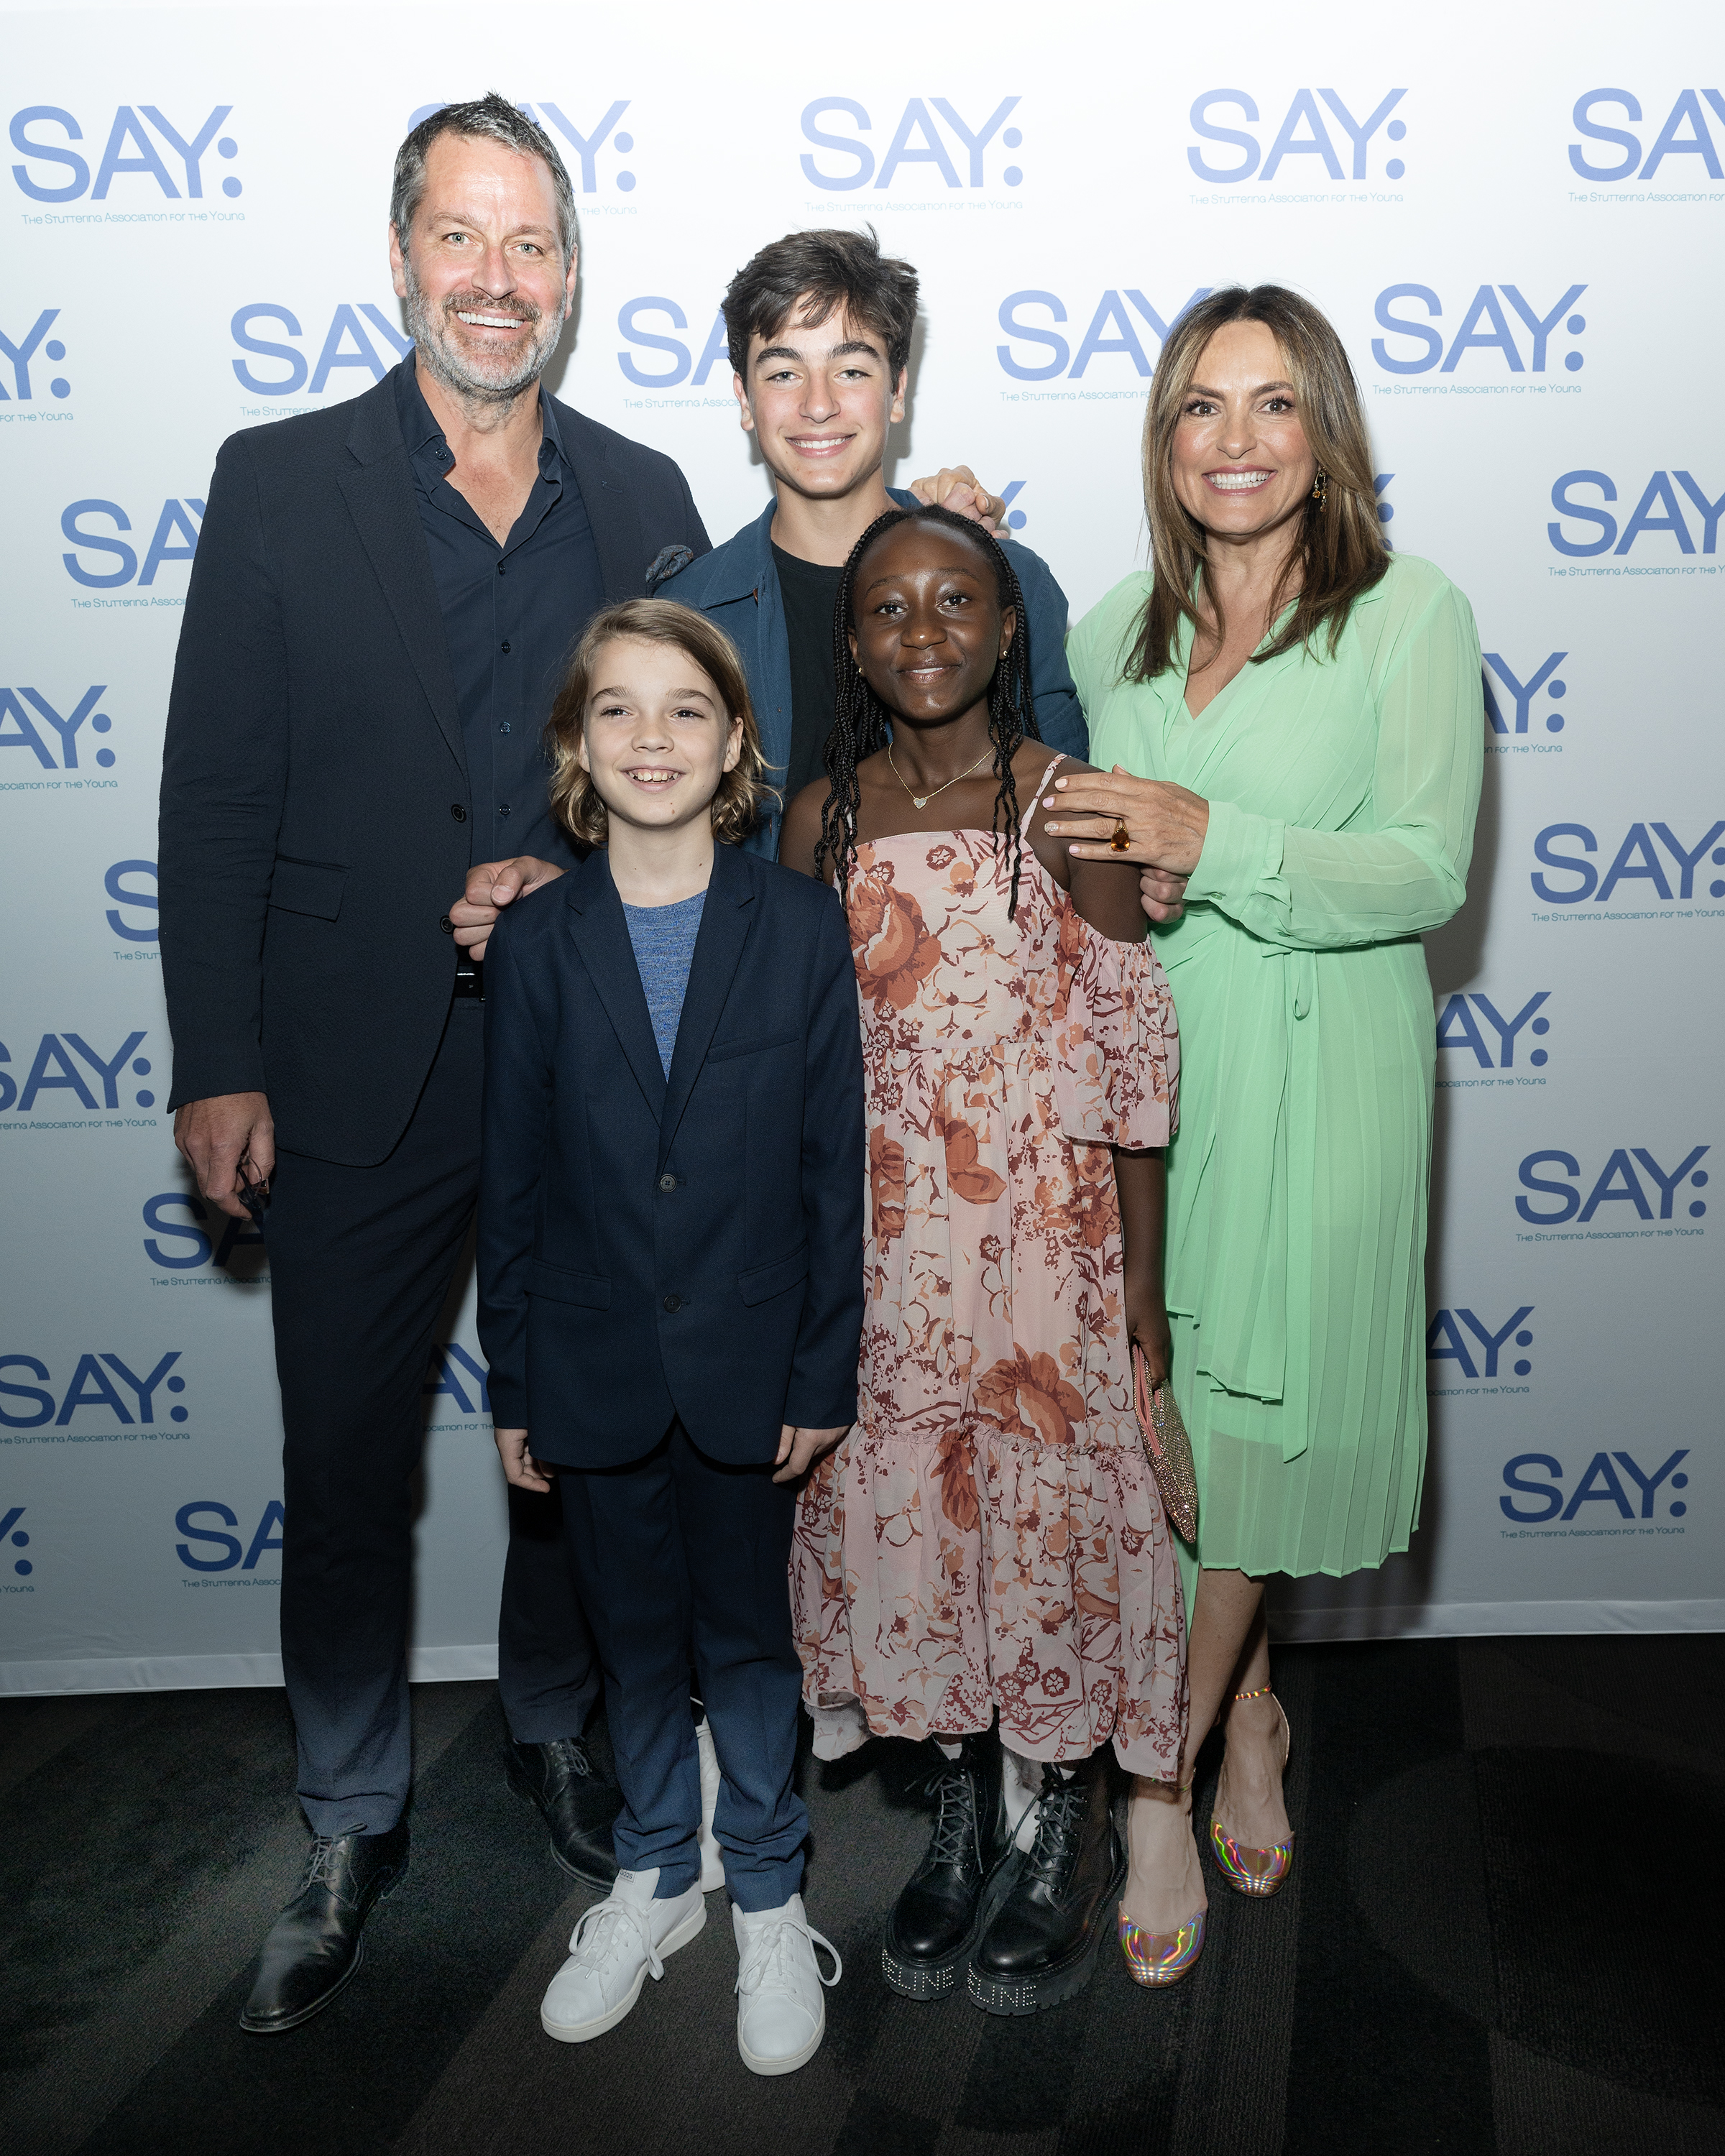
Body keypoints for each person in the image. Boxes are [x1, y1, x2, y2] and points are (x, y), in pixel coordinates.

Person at [157, 94, 711, 2035]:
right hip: (340, 1066)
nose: (498, 280)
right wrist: (215, 1057)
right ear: (401, 258)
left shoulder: (645, 494)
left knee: (576, 1445)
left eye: (531, 244)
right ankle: (345, 1806)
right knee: (340, 1465)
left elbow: (709, 776)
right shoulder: (278, 478)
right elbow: (216, 791)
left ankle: (553, 1731)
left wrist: (565, 878)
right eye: (462, 240)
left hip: (585, 1068)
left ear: (569, 271)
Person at [1040, 285, 1484, 1984]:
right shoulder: (1108, 632)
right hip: (1158, 1075)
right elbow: (1041, 798)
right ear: (1160, 441)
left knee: (1252, 1432)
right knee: (1169, 1419)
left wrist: (1208, 835)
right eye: (1196, 408)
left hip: (1328, 1070)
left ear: (1324, 433)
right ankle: (1251, 1715)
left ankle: (1153, 1771)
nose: (1232, 440)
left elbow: (1425, 868)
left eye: (1270, 404)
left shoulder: (1404, 615)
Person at [781, 505, 1185, 2015]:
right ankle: (957, 1814)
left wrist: (1137, 1295)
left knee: (1055, 1537)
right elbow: (800, 1060)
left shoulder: (1067, 802)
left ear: (1013, 630)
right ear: (855, 641)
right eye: (890, 608)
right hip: (887, 1253)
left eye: (960, 601)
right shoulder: (820, 808)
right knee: (916, 1534)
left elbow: (1133, 1063)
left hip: (1046, 1251)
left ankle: (1059, 1826)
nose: (926, 631)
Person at [477, 599, 862, 2073]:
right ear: (577, 745)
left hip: (754, 1365)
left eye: (686, 709)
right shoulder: (536, 945)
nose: (653, 738)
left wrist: (822, 1367)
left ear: (737, 741)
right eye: (619, 710)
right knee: (631, 1645)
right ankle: (656, 1873)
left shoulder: (797, 925)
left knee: (751, 1646)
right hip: (587, 1363)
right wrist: (515, 1377)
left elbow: (838, 1170)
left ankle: (766, 1886)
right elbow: (509, 1184)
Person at [665, 226, 1087, 855]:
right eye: (783, 372)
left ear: (897, 391)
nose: (818, 405)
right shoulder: (687, 612)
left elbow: (1072, 822)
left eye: (851, 369)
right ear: (745, 399)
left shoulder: (1008, 580)